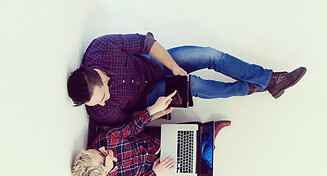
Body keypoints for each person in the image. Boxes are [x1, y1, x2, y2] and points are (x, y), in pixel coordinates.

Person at [67, 32, 307, 125]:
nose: (101, 103)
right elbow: (130, 123)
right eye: (95, 103)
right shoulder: (99, 111)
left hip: (156, 64)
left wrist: (173, 66)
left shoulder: (101, 48)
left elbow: (146, 43)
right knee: (196, 86)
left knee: (210, 55)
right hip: (149, 97)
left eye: (101, 97)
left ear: (98, 74)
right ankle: (248, 89)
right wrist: (153, 112)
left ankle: (269, 80)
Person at [71, 92, 207, 176]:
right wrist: (154, 174)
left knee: (196, 129)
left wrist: (153, 110)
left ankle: (208, 137)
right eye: (102, 155)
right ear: (104, 173)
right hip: (148, 173)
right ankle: (209, 145)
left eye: (96, 149)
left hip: (149, 143)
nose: (102, 148)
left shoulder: (105, 139)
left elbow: (131, 127)